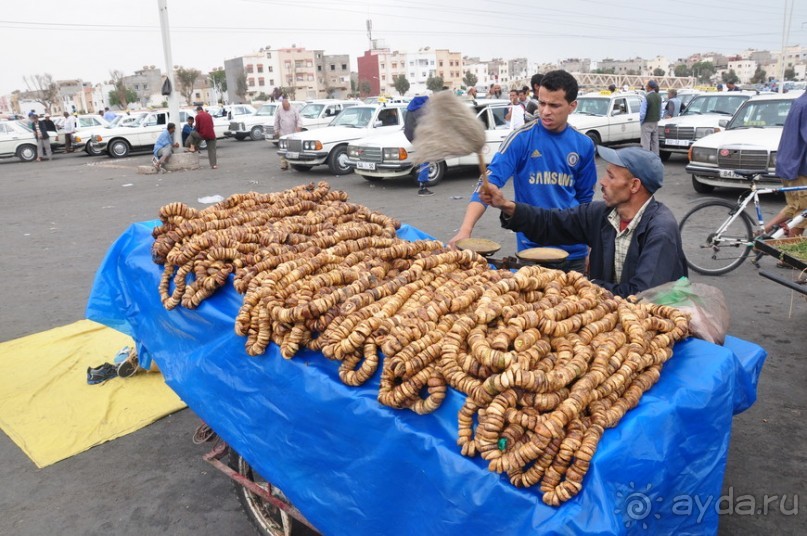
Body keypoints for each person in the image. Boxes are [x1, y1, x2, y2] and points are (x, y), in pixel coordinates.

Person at [478, 146, 687, 297]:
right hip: (607, 316)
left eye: (611, 177)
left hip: (649, 328)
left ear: (634, 185)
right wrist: (506, 205)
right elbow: (551, 222)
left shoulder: (660, 230)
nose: (602, 183)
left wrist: (584, 285)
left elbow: (642, 295)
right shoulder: (602, 214)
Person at [449, 70, 598, 273]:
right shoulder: (521, 139)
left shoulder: (584, 144)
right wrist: (465, 230)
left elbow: (585, 202)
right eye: (542, 103)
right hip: (533, 254)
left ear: (572, 106)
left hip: (574, 254)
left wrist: (591, 247)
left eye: (554, 105)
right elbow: (486, 186)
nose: (545, 111)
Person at [766, 90, 807, 239]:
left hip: (788, 164)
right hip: (799, 167)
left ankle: (762, 234)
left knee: (793, 207)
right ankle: (788, 259)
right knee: (802, 214)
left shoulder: (799, 102)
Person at [404, 94, 435, 196]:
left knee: (422, 160)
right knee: (425, 160)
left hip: (411, 137)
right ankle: (423, 187)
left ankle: (421, 181)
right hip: (419, 137)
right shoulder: (419, 111)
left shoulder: (409, 110)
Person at [273, 96, 303, 171]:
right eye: (284, 107)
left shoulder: (294, 109)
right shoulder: (279, 110)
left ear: (289, 104)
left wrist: (299, 127)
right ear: (282, 105)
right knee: (283, 149)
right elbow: (276, 121)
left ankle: (293, 164)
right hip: (283, 132)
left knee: (292, 149)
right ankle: (284, 165)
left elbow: (299, 119)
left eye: (286, 107)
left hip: (292, 132)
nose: (285, 108)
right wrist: (276, 130)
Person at [640, 80, 662, 154]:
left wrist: (641, 122)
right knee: (655, 142)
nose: (646, 87)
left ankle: (646, 158)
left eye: (646, 86)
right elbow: (660, 110)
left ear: (649, 87)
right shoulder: (659, 97)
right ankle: (656, 157)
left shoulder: (646, 97)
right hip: (655, 122)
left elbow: (642, 113)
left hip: (647, 122)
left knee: (646, 142)